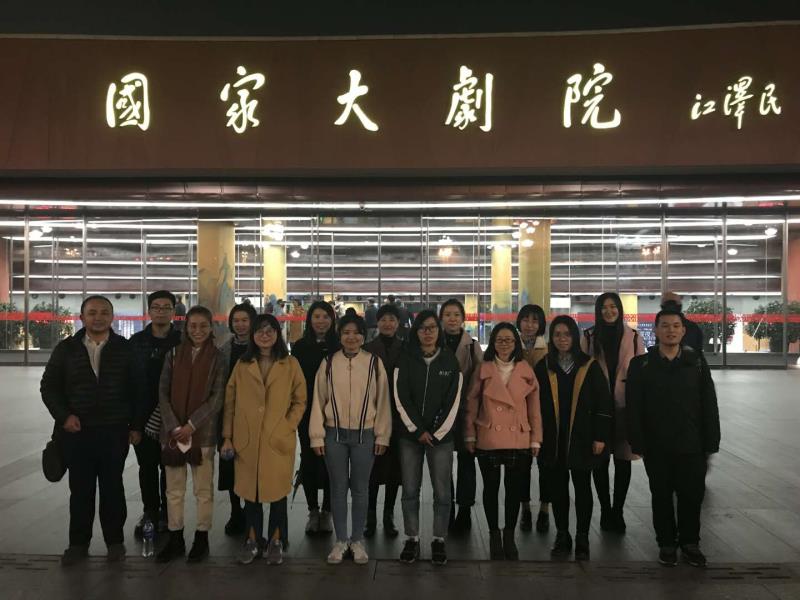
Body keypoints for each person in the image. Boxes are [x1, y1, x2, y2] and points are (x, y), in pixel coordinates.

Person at [41, 295, 142, 566]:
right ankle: (78, 544)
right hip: (77, 433)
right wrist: (64, 417)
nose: (98, 317)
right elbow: (49, 387)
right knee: (81, 490)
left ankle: (115, 543)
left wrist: (136, 426)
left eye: (104, 312)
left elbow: (138, 389)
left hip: (114, 432)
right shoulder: (66, 349)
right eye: (92, 312)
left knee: (113, 489)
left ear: (112, 317)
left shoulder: (125, 349)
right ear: (82, 317)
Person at [626, 309, 720, 568]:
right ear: (656, 330)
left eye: (676, 326)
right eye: (665, 326)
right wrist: (637, 441)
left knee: (691, 495)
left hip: (691, 443)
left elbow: (709, 403)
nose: (671, 330)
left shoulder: (696, 362)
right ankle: (666, 543)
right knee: (661, 495)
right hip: (656, 445)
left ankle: (690, 543)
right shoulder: (641, 365)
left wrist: (711, 441)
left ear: (683, 330)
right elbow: (634, 407)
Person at [222, 314, 307, 566]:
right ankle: (252, 539)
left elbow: (300, 400)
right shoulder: (242, 364)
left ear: (277, 334)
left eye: (270, 330)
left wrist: (287, 425)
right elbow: (230, 402)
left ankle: (276, 540)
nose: (265, 335)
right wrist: (227, 436)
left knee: (278, 493)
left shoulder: (290, 364)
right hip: (246, 439)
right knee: (251, 493)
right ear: (253, 335)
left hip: (277, 439)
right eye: (260, 330)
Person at [310, 314, 392, 565]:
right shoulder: (328, 363)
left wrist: (382, 434)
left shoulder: (374, 363)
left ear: (363, 336)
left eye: (356, 332)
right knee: (337, 488)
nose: (351, 337)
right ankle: (341, 540)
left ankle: (357, 540)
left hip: (365, 434)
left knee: (360, 488)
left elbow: (383, 401)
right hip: (333, 434)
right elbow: (318, 399)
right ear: (340, 335)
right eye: (346, 332)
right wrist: (316, 436)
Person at [534, 315, 613, 561]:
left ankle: (582, 536)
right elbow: (533, 405)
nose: (562, 339)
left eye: (567, 334)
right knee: (558, 489)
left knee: (582, 488)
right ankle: (562, 534)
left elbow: (603, 403)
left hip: (583, 437)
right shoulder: (543, 366)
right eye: (557, 335)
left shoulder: (589, 366)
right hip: (553, 438)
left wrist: (600, 436)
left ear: (575, 337)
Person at [464, 323, 542, 561]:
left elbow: (535, 409)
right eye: (500, 340)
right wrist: (469, 434)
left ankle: (509, 535)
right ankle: (494, 535)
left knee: (513, 490)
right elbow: (471, 404)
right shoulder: (483, 369)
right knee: (490, 488)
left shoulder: (526, 370)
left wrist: (536, 439)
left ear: (516, 343)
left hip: (518, 437)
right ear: (493, 343)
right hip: (488, 434)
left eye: (509, 340)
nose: (505, 344)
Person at [156, 306, 225, 563]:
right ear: (185, 328)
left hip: (202, 435)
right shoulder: (173, 354)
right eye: (193, 326)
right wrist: (175, 427)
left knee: (203, 490)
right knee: (173, 490)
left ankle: (201, 538)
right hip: (172, 435)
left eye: (203, 326)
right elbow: (162, 392)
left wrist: (191, 425)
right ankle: (175, 538)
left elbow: (217, 397)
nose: (198, 330)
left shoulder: (218, 358)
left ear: (211, 328)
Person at [395, 310, 463, 566]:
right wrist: (417, 430)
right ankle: (411, 538)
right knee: (410, 489)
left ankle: (438, 539)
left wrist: (436, 432)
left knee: (442, 492)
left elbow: (454, 400)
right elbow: (400, 396)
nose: (428, 332)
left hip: (441, 439)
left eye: (432, 327)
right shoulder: (405, 359)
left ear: (439, 330)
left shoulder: (449, 360)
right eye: (423, 328)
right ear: (416, 331)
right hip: (410, 437)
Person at [580, 293, 646, 534]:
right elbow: (582, 372)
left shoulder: (634, 337)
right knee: (599, 460)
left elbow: (641, 373)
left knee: (623, 460)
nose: (609, 311)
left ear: (619, 309)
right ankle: (606, 509)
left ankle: (618, 510)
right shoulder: (589, 337)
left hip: (624, 407)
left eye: (613, 306)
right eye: (604, 307)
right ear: (598, 311)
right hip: (598, 408)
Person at [130, 290, 183, 538]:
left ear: (174, 311)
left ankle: (168, 514)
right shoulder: (136, 342)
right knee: (147, 466)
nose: (161, 311)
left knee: (169, 467)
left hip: (173, 417)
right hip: (143, 416)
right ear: (149, 311)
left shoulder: (182, 341)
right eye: (156, 307)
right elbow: (129, 382)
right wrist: (133, 423)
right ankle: (150, 511)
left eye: (166, 307)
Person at [291, 300, 340, 535]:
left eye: (326, 317)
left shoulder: (339, 346)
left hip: (335, 414)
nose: (321, 321)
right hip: (307, 412)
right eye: (317, 316)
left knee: (333, 461)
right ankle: (312, 511)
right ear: (309, 320)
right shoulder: (300, 347)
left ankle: (327, 511)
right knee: (308, 460)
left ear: (332, 320)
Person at [439, 298, 483, 533]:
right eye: (447, 314)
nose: (452, 319)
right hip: (441, 414)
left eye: (456, 315)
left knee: (467, 462)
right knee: (443, 464)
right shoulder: (434, 343)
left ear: (463, 319)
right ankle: (447, 509)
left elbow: (480, 380)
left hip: (466, 412)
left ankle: (465, 510)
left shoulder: (472, 346)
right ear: (441, 318)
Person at [362, 303, 404, 538]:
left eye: (392, 319)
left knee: (394, 471)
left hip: (398, 417)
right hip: (372, 415)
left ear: (398, 323)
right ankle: (370, 516)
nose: (388, 323)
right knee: (371, 469)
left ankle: (388, 515)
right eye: (384, 319)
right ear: (377, 323)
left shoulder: (406, 348)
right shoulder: (367, 349)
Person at [218, 302, 258, 536]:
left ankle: (252, 512)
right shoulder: (224, 348)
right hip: (227, 415)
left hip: (253, 417)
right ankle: (235, 511)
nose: (240, 325)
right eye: (236, 320)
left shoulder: (260, 348)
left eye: (244, 320)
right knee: (229, 464)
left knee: (251, 466)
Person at [516, 304, 550, 533]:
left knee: (546, 465)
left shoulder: (548, 350)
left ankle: (545, 509)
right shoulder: (511, 346)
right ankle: (525, 508)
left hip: (544, 414)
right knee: (522, 466)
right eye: (526, 320)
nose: (529, 325)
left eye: (535, 320)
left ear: (541, 325)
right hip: (518, 415)